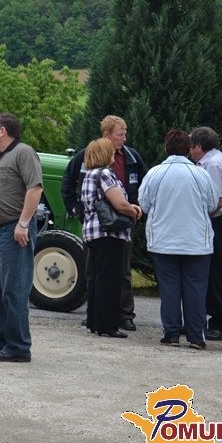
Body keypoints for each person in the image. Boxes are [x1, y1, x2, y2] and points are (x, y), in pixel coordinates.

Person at [60, 115, 147, 331]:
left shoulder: (131, 157)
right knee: (100, 272)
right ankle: (103, 317)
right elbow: (68, 183)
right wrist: (74, 208)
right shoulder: (94, 164)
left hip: (113, 223)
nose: (124, 138)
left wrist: (137, 206)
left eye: (125, 134)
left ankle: (120, 314)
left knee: (119, 272)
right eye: (120, 134)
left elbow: (144, 183)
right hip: (107, 223)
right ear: (106, 134)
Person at [139, 129, 217, 349]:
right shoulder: (201, 174)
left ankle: (171, 333)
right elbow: (212, 204)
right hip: (196, 242)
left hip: (164, 241)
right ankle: (196, 336)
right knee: (196, 289)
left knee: (169, 288)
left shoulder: (155, 173)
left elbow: (144, 204)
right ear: (189, 149)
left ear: (166, 148)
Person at [0, 113, 42, 363]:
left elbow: (35, 188)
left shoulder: (24, 152)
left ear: (2, 131)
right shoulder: (1, 155)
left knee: (14, 290)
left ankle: (19, 346)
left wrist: (23, 223)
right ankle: (3, 339)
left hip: (14, 232)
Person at [79, 138, 142, 337]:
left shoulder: (89, 174)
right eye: (111, 151)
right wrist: (134, 211)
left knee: (96, 279)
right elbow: (119, 203)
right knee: (110, 279)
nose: (114, 154)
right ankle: (108, 325)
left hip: (92, 231)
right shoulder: (105, 173)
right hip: (109, 232)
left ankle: (94, 321)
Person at [189, 126, 222, 341]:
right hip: (212, 221)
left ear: (199, 146)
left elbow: (216, 201)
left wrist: (198, 216)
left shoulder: (213, 164)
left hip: (215, 221)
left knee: (215, 272)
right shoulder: (209, 161)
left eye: (191, 145)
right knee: (207, 272)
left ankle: (218, 323)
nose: (189, 150)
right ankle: (204, 320)